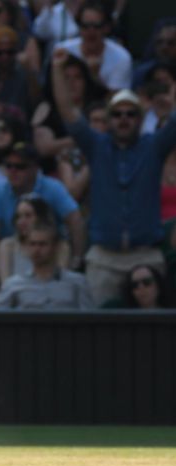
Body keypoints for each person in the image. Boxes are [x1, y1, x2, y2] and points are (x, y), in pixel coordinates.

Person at [52, 48, 176, 304]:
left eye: (131, 114)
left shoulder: (154, 146)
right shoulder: (96, 146)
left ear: (141, 120)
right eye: (117, 114)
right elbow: (67, 111)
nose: (124, 119)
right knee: (99, 335)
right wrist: (56, 68)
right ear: (108, 119)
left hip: (146, 256)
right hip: (104, 258)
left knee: (151, 334)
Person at [0, 142, 86, 268]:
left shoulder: (53, 188)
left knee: (62, 246)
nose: (13, 171)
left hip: (50, 255)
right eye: (9, 166)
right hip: (11, 256)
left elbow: (75, 220)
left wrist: (77, 258)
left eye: (20, 166)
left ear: (35, 168)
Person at [0, 223, 94, 310]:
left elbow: (89, 321)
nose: (37, 250)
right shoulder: (13, 285)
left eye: (42, 244)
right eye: (32, 244)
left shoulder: (77, 283)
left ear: (55, 247)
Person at [56, 2, 132, 91]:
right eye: (85, 26)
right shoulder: (63, 51)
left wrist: (94, 76)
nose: (91, 31)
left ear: (106, 28)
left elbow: (116, 100)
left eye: (97, 26)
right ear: (79, 27)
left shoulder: (121, 58)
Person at [0, 196, 71, 282]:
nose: (21, 222)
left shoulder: (60, 247)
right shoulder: (7, 246)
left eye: (28, 216)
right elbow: (6, 284)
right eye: (18, 217)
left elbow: (60, 282)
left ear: (41, 217)